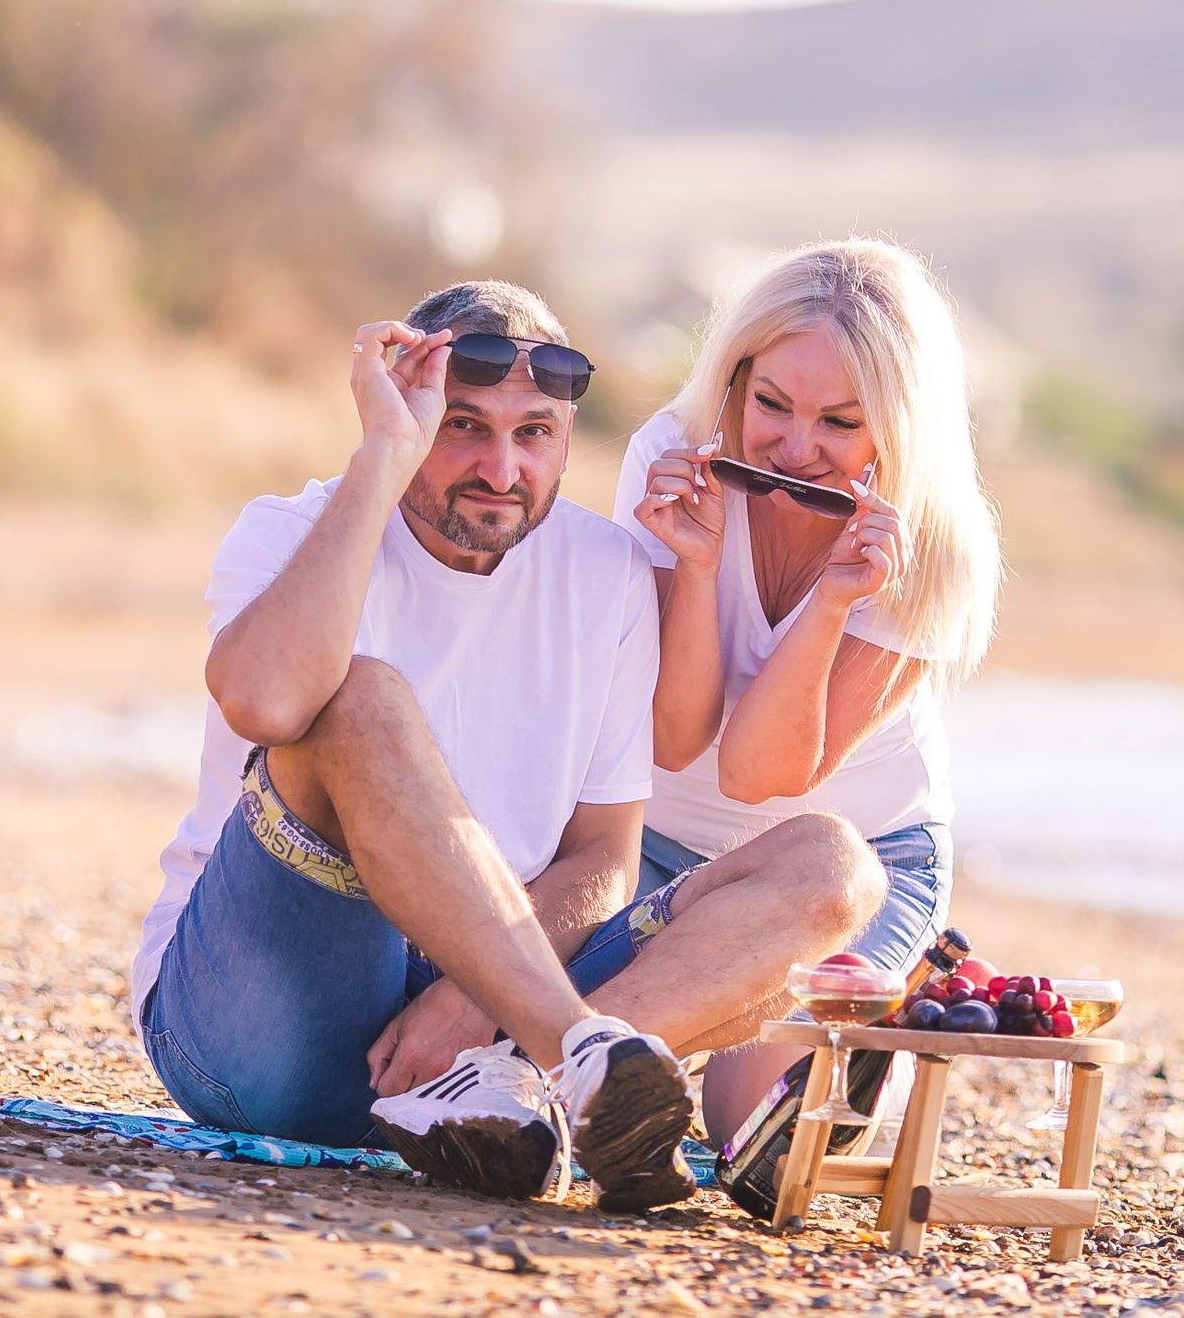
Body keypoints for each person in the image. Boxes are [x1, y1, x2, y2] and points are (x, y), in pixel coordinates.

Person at [134, 280, 886, 1211]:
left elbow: (606, 856)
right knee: (359, 695)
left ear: (566, 439)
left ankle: (521, 1089)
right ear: (408, 417)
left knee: (836, 865)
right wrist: (383, 457)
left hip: (486, 1049)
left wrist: (471, 994)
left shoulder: (606, 573)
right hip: (266, 1020)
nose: (501, 466)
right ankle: (579, 1059)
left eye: (533, 433)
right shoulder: (298, 530)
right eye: (463, 427)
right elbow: (263, 699)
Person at [615, 239, 1002, 1154]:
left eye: (839, 422)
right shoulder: (673, 457)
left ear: (896, 432)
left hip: (856, 870)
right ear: (736, 380)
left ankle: (876, 1020)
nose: (795, 448)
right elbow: (674, 739)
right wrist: (699, 562)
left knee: (759, 1133)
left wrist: (835, 598)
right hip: (657, 846)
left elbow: (760, 774)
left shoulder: (932, 545)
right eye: (772, 406)